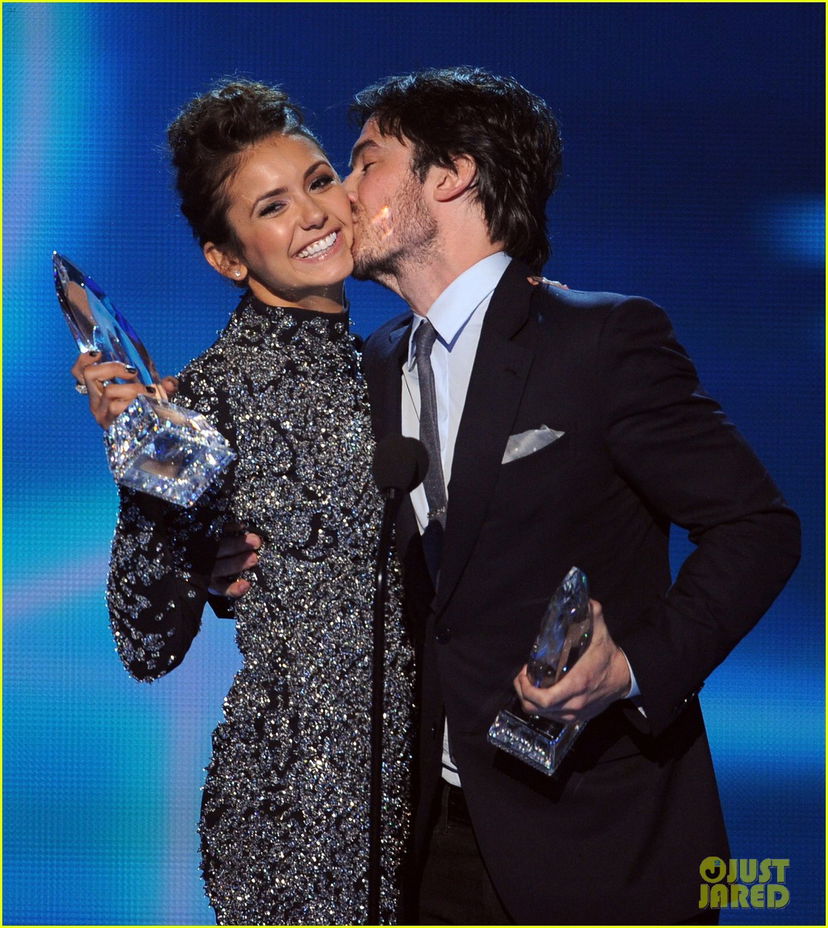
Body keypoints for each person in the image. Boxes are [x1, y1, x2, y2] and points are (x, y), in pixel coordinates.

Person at [338, 66, 801, 924]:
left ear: (451, 174)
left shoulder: (601, 341)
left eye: (367, 161)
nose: (342, 189)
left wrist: (633, 666)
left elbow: (758, 527)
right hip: (429, 844)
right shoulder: (375, 364)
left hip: (600, 839)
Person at [71, 79, 413, 926]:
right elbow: (146, 643)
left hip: (427, 798)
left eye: (320, 180)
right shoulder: (206, 402)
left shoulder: (401, 360)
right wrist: (148, 468)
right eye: (271, 207)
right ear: (227, 257)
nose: (313, 214)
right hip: (293, 816)